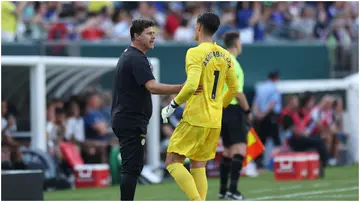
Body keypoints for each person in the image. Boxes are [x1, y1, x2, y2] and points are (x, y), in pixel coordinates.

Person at [111, 19, 193, 201]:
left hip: (128, 118)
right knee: (131, 168)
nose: (153, 36)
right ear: (136, 36)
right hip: (130, 119)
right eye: (149, 33)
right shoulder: (136, 58)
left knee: (132, 167)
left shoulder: (132, 56)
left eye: (154, 33)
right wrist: (182, 87)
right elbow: (153, 87)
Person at [161, 12, 238, 201]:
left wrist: (172, 105)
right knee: (198, 165)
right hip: (214, 120)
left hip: (195, 117)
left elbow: (191, 85)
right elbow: (234, 88)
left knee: (172, 161)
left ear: (198, 27)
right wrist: (219, 106)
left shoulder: (194, 53)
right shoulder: (226, 55)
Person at [218, 31, 252, 200]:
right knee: (239, 149)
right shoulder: (234, 64)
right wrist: (247, 111)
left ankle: (223, 190)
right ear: (237, 43)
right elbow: (238, 93)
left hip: (221, 110)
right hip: (233, 109)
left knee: (228, 150)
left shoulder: (221, 61)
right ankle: (233, 190)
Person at [252, 71, 282, 170]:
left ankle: (258, 164)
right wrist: (264, 114)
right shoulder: (274, 88)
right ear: (276, 78)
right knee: (277, 141)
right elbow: (272, 103)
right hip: (270, 116)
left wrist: (257, 115)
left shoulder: (260, 87)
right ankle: (274, 163)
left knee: (260, 141)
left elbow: (256, 103)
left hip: (260, 118)